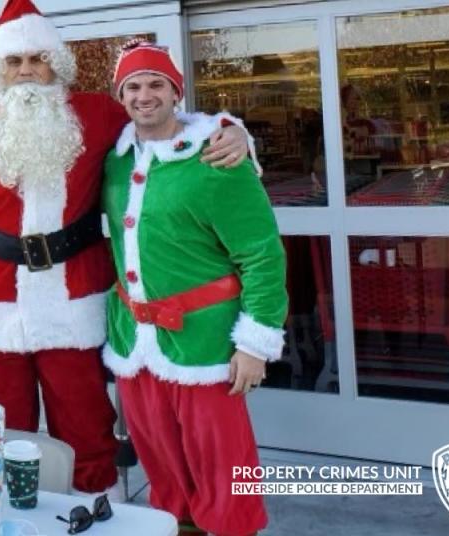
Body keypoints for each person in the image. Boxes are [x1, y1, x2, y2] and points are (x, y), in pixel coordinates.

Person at [0, 0, 255, 495]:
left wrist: (231, 129)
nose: (28, 71)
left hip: (72, 295)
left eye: (38, 58)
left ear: (58, 63)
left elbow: (159, 117)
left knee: (85, 423)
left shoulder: (98, 114)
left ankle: (98, 512)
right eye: (16, 61)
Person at [102, 41, 288, 535]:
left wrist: (255, 343)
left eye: (156, 84)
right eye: (133, 86)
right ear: (122, 97)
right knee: (161, 467)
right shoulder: (115, 160)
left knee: (225, 473)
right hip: (135, 344)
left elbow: (262, 254)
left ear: (175, 92)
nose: (145, 95)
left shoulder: (217, 157)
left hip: (205, 343)